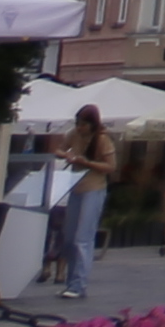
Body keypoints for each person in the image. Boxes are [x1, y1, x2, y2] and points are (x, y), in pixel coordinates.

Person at [50, 114, 113, 297]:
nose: (79, 127)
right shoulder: (73, 134)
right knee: (69, 237)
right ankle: (70, 282)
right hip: (75, 188)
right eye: (77, 123)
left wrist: (88, 163)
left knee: (82, 238)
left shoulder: (102, 140)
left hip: (94, 188)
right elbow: (58, 150)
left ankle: (79, 284)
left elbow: (110, 166)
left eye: (83, 124)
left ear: (92, 125)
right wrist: (68, 155)